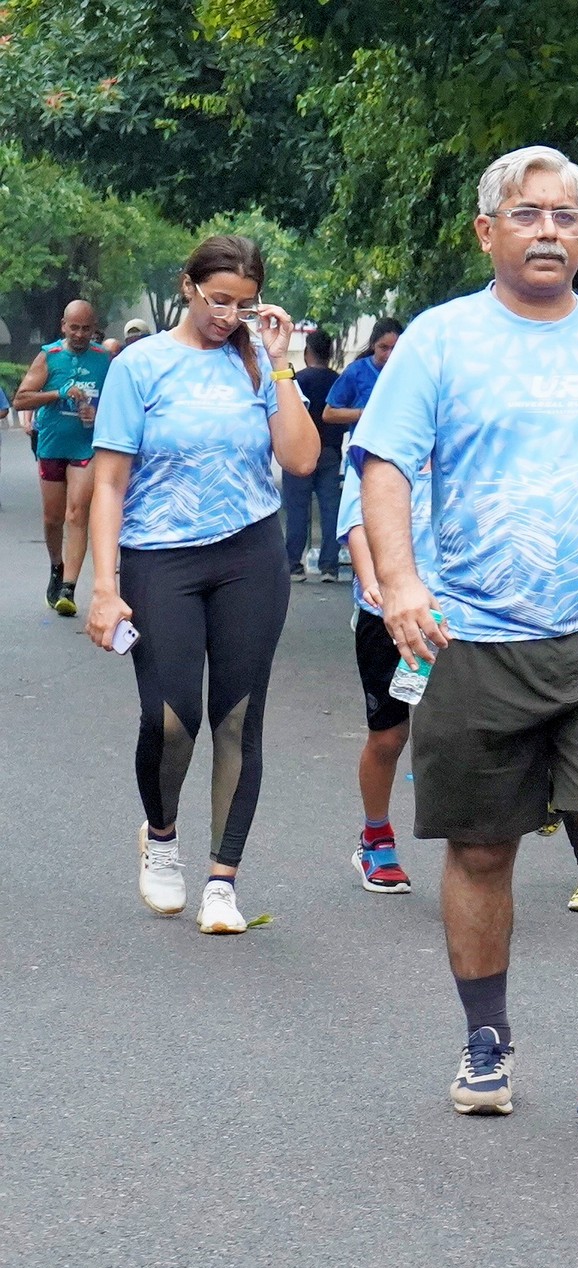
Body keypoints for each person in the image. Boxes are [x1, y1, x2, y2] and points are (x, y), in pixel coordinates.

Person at [352, 144, 578, 1130]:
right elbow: (385, 466)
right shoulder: (440, 341)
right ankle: (486, 1038)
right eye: (528, 214)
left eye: (566, 217)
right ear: (487, 230)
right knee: (481, 848)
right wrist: (401, 584)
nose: (549, 232)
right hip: (473, 635)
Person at [82, 235, 321, 934]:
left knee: (238, 719)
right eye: (218, 300)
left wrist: (280, 364)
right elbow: (109, 483)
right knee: (171, 718)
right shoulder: (141, 366)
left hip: (250, 554)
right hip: (160, 557)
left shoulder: (258, 364)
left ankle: (223, 879)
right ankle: (161, 838)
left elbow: (301, 459)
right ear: (187, 286)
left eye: (243, 304)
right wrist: (105, 587)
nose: (227, 316)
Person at [334, 442, 434, 892]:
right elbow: (356, 524)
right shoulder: (378, 443)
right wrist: (375, 581)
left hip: (461, 613)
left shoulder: (471, 433)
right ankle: (375, 839)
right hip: (388, 615)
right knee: (389, 736)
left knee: (466, 733)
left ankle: (476, 849)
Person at [16, 300, 112, 616]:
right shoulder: (50, 356)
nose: (80, 334)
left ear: (94, 328)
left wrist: (98, 414)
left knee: (77, 514)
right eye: (74, 328)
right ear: (63, 326)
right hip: (52, 446)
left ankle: (68, 588)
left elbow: (119, 403)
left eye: (86, 328)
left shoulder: (105, 360)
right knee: (53, 518)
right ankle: (57, 566)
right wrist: (58, 393)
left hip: (86, 446)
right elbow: (21, 400)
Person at [283, 327, 345, 582]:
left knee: (297, 509)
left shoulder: (297, 381)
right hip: (330, 451)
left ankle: (294, 565)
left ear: (307, 352)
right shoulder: (338, 381)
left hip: (299, 451)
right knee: (330, 510)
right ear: (330, 353)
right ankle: (329, 566)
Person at [321, 317, 400, 434]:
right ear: (373, 345)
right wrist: (364, 413)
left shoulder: (409, 371)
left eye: (395, 348)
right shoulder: (356, 372)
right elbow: (328, 414)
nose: (389, 354)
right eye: (383, 347)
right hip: (365, 443)